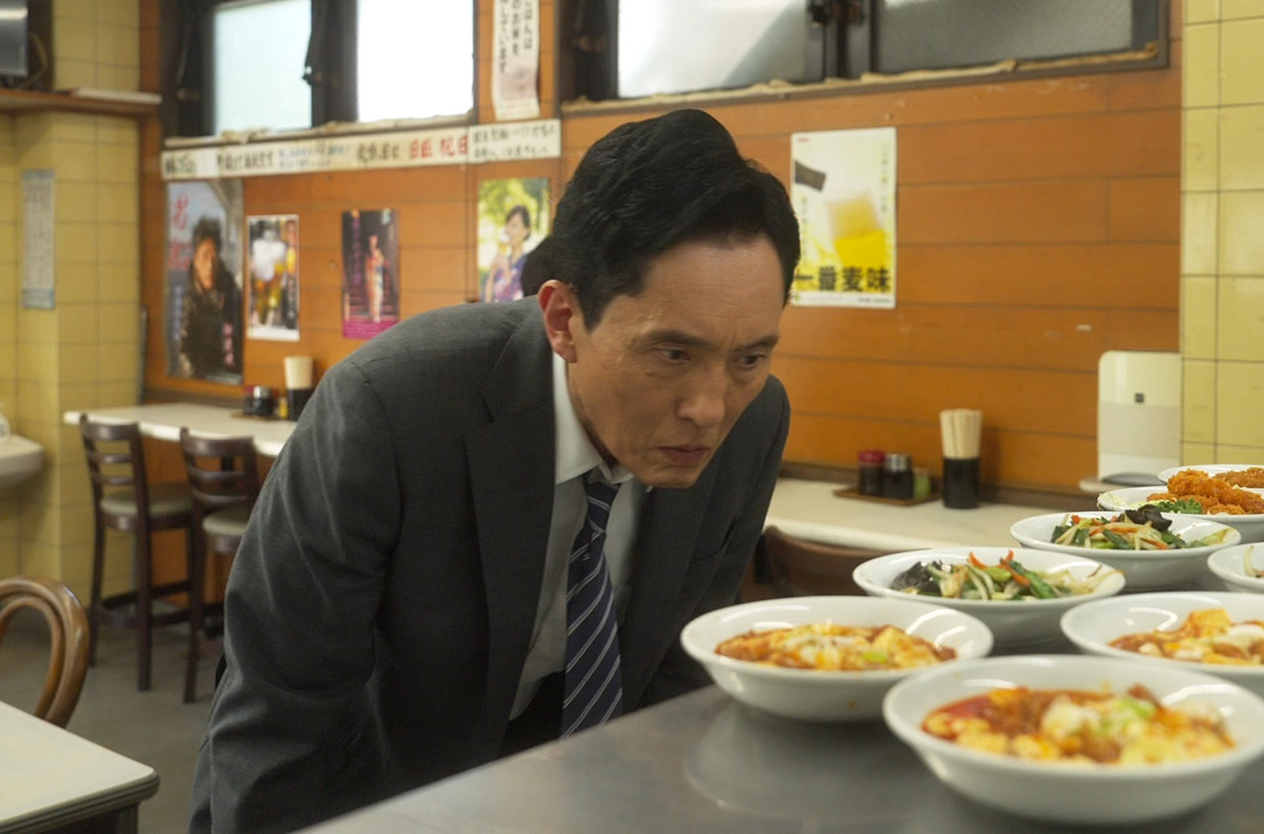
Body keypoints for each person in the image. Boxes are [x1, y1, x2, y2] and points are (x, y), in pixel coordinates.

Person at [191, 109, 799, 834]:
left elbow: (680, 674)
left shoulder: (754, 422)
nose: (709, 408)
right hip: (371, 794)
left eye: (749, 358)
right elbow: (279, 713)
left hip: (570, 796)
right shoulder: (390, 410)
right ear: (563, 320)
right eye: (672, 354)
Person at [179, 216, 242, 380]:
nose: (210, 265)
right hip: (203, 380)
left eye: (214, 256)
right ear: (196, 260)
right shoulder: (187, 301)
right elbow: (183, 351)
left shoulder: (231, 291)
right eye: (205, 256)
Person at [482, 203, 533, 303]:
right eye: (508, 225)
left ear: (526, 231)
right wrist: (492, 272)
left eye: (514, 226)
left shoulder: (529, 265)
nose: (508, 230)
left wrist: (506, 272)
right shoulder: (501, 262)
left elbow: (520, 301)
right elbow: (486, 303)